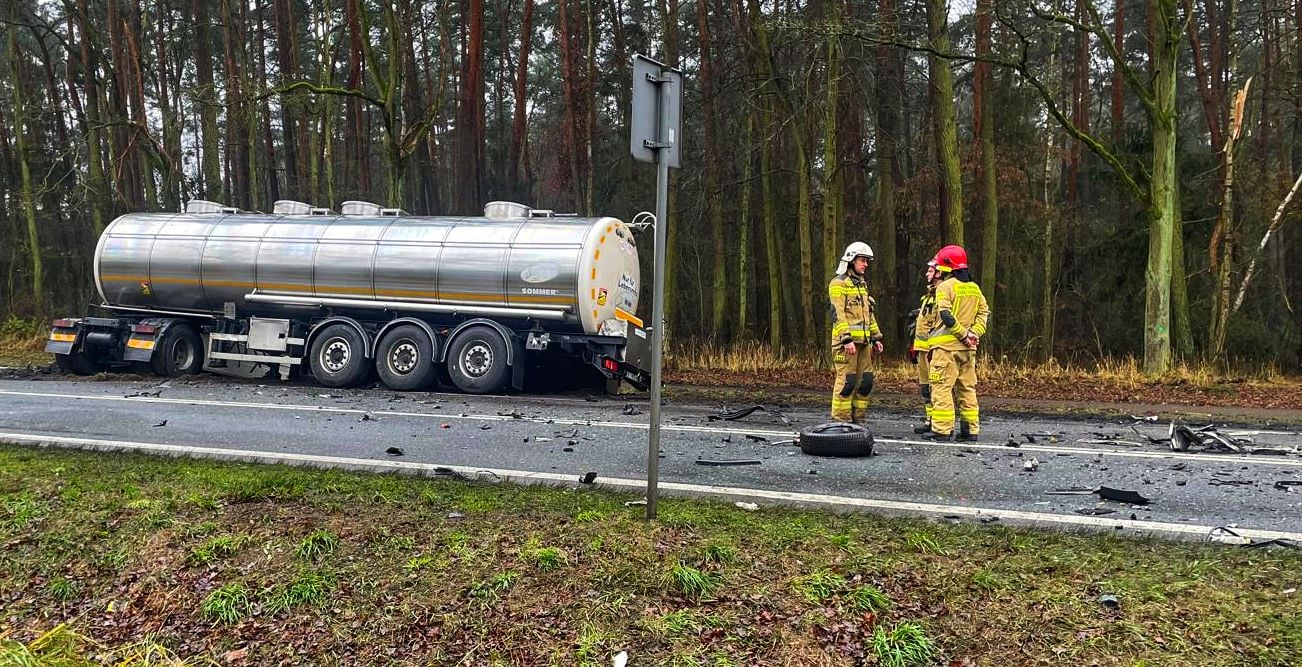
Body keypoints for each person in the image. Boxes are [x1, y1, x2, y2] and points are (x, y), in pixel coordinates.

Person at [924, 245, 989, 441]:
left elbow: (945, 314)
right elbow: (984, 313)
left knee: (941, 387)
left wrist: (962, 334)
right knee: (967, 388)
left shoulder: (945, 287)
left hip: (946, 349)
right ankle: (970, 430)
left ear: (947, 266)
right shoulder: (974, 288)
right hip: (968, 350)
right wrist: (974, 334)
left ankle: (942, 430)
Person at [828, 241, 884, 423]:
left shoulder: (862, 285)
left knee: (865, 383)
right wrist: (846, 339)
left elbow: (869, 314)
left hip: (864, 344)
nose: (866, 264)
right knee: (847, 382)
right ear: (851, 260)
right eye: (863, 260)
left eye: (867, 261)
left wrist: (876, 338)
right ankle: (841, 422)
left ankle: (858, 421)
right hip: (847, 345)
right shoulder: (838, 283)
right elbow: (838, 314)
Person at [908, 260, 943, 434]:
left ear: (939, 273)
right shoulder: (929, 295)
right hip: (923, 349)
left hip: (934, 349)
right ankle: (930, 420)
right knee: (925, 387)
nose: (926, 274)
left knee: (936, 387)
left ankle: (938, 422)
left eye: (930, 270)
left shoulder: (942, 294)